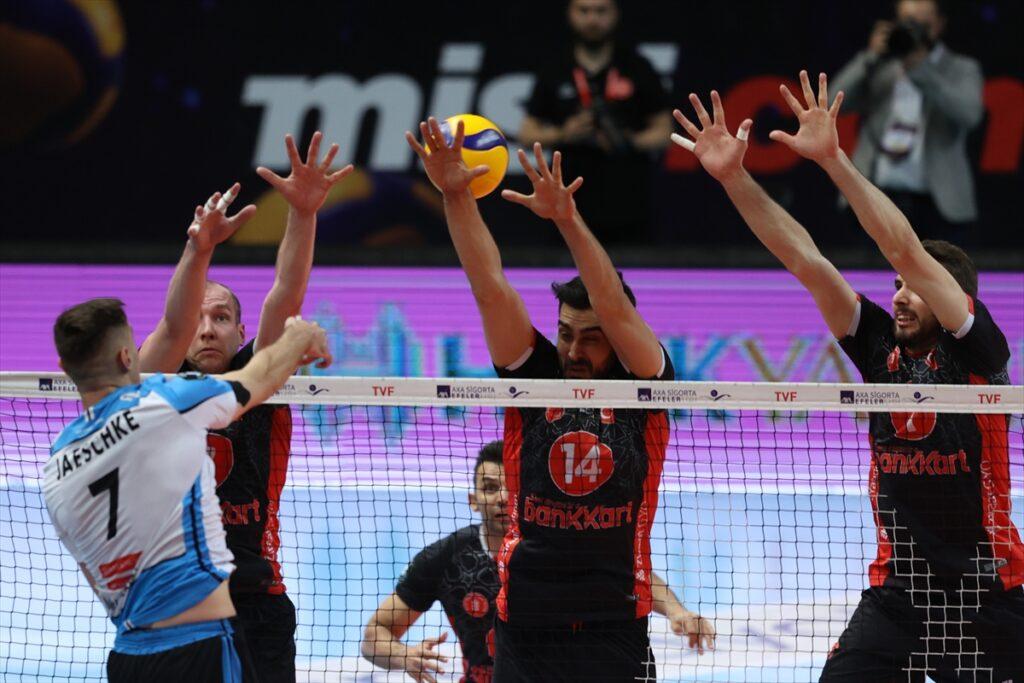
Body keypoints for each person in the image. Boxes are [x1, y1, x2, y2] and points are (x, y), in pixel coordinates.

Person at [673, 71, 1023, 681]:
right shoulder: (879, 348)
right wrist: (734, 178)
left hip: (987, 590)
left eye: (916, 287)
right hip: (900, 594)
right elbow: (805, 260)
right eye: (896, 287)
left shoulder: (979, 354)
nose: (900, 295)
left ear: (955, 297)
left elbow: (903, 248)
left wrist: (834, 160)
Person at [405, 118, 703, 681]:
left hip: (614, 620)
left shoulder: (644, 384)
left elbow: (614, 304)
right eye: (565, 333)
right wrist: (456, 197)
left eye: (591, 338)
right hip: (526, 620)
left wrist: (567, 219)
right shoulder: (535, 378)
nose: (573, 350)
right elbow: (489, 286)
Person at [145, 131, 352, 682]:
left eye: (221, 319)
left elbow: (286, 290)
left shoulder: (262, 380)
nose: (207, 329)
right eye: (199, 318)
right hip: (175, 600)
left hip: (256, 600)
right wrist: (198, 248)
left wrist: (303, 213)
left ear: (241, 332)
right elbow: (171, 325)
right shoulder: (155, 386)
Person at [43, 298, 331, 682]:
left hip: (130, 655)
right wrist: (298, 336)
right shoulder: (163, 402)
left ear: (64, 368)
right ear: (127, 357)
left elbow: (98, 580)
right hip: (201, 647)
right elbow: (257, 378)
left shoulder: (56, 465)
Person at [360, 442, 713, 683]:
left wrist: (678, 612)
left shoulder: (558, 540)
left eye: (511, 486)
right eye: (489, 487)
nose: (502, 498)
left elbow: (630, 573)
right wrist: (404, 657)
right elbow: (375, 635)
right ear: (473, 500)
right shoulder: (446, 558)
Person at [518, 0, 672, 245]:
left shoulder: (637, 67)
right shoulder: (555, 68)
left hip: (628, 205)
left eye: (601, 11)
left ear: (615, 14)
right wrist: (564, 134)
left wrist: (624, 140)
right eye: (584, 11)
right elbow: (527, 133)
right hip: (567, 208)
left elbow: (665, 131)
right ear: (571, 13)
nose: (592, 19)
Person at [831, 0, 983, 242]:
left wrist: (920, 70)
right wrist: (869, 57)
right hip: (874, 196)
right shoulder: (879, 67)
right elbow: (832, 102)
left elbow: (970, 115)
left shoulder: (961, 68)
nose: (914, 30)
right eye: (907, 23)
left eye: (922, 24)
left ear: (939, 25)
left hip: (937, 204)